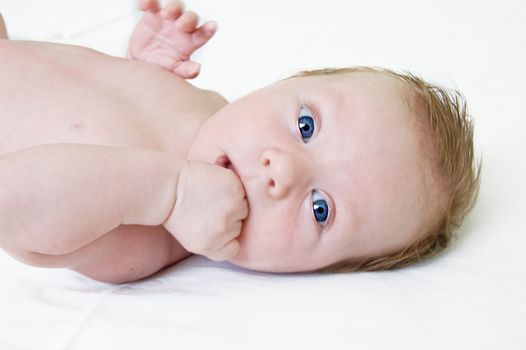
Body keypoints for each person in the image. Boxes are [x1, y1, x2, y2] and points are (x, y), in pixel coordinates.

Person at [0, 0, 480, 283]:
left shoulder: (147, 237)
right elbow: (92, 109)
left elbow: (13, 204)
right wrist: (142, 63)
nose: (283, 171)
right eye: (306, 126)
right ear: (286, 82)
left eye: (320, 210)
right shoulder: (211, 107)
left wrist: (169, 194)